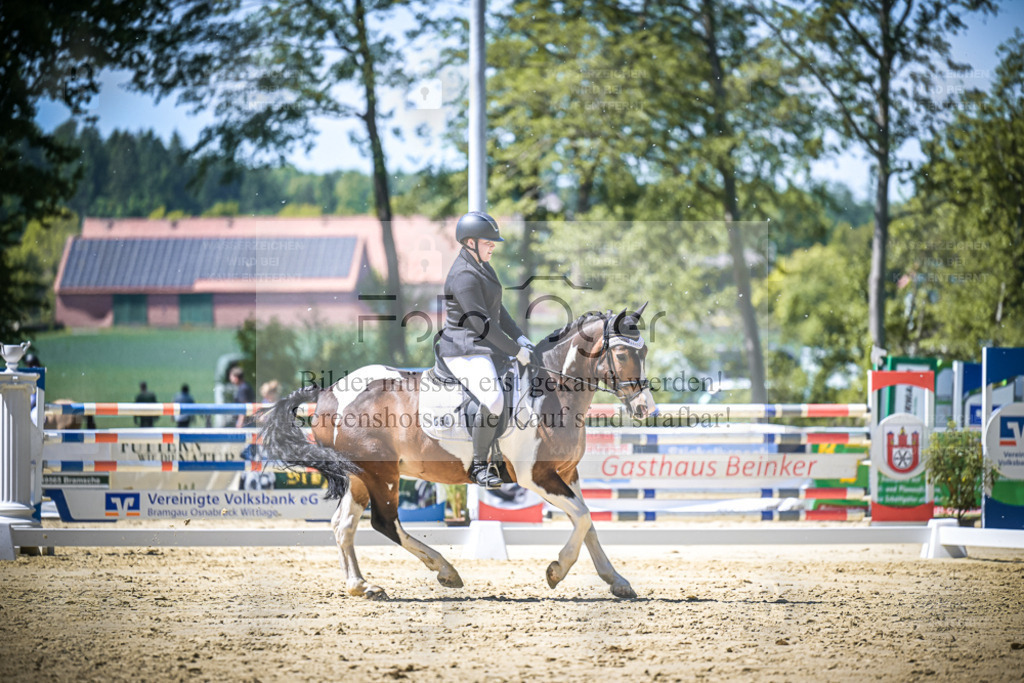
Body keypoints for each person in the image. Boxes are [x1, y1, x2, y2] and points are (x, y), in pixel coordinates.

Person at [437, 211, 537, 489]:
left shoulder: (482, 267)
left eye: (494, 242)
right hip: (465, 349)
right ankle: (479, 465)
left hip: (484, 346)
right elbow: (483, 325)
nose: (493, 246)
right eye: (488, 242)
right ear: (470, 242)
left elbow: (499, 311)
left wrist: (520, 338)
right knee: (493, 400)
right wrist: (515, 352)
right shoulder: (463, 276)